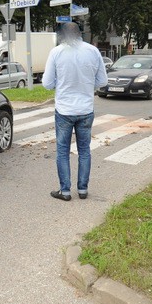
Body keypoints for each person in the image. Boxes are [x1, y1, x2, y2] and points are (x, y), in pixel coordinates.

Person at [42, 22, 108, 200]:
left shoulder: (56, 52)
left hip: (64, 110)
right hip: (86, 109)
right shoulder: (93, 51)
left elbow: (47, 83)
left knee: (63, 151)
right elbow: (102, 81)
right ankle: (83, 190)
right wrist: (85, 85)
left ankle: (65, 191)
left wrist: (63, 83)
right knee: (84, 150)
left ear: (62, 35)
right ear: (80, 34)